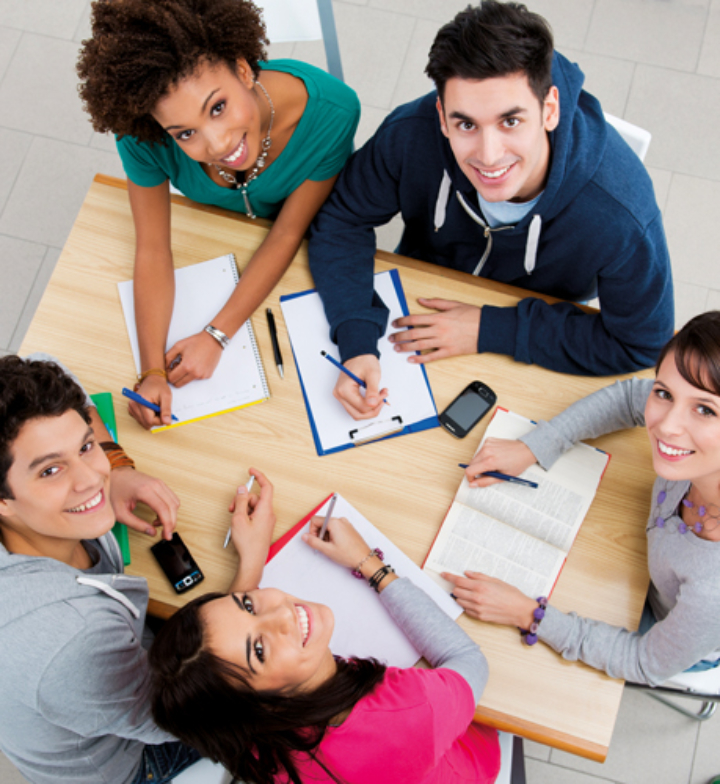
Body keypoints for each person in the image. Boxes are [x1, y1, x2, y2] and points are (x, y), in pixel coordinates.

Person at [308, 0, 674, 421]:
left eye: (510, 122)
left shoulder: (620, 212)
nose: (488, 155)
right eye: (466, 125)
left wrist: (492, 328)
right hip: (420, 311)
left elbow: (642, 343)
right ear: (442, 117)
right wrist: (355, 339)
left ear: (549, 109)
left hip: (536, 335)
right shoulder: (410, 134)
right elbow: (341, 218)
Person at [77, 0, 360, 429]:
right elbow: (153, 249)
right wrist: (152, 371)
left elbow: (286, 235)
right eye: (185, 134)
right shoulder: (142, 136)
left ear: (244, 70)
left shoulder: (330, 112)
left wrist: (216, 335)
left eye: (218, 107)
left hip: (307, 242)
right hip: (219, 235)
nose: (218, 144)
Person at [443, 311, 720, 686]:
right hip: (642, 565)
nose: (667, 425)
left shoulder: (711, 593)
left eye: (705, 409)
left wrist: (529, 615)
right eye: (664, 393)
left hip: (669, 626)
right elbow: (627, 398)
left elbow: (644, 663)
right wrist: (536, 445)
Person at [148, 510, 501, 783]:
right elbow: (467, 660)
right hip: (468, 757)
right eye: (259, 651)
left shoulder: (235, 731)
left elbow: (220, 656)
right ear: (263, 706)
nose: (282, 615)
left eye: (248, 604)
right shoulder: (406, 712)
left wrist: (251, 563)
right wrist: (370, 565)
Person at [0, 354, 201, 784]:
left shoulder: (42, 515)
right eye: (51, 470)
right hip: (131, 762)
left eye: (85, 446)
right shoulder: (71, 640)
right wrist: (248, 578)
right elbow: (177, 717)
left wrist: (119, 465)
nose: (92, 480)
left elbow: (57, 367)